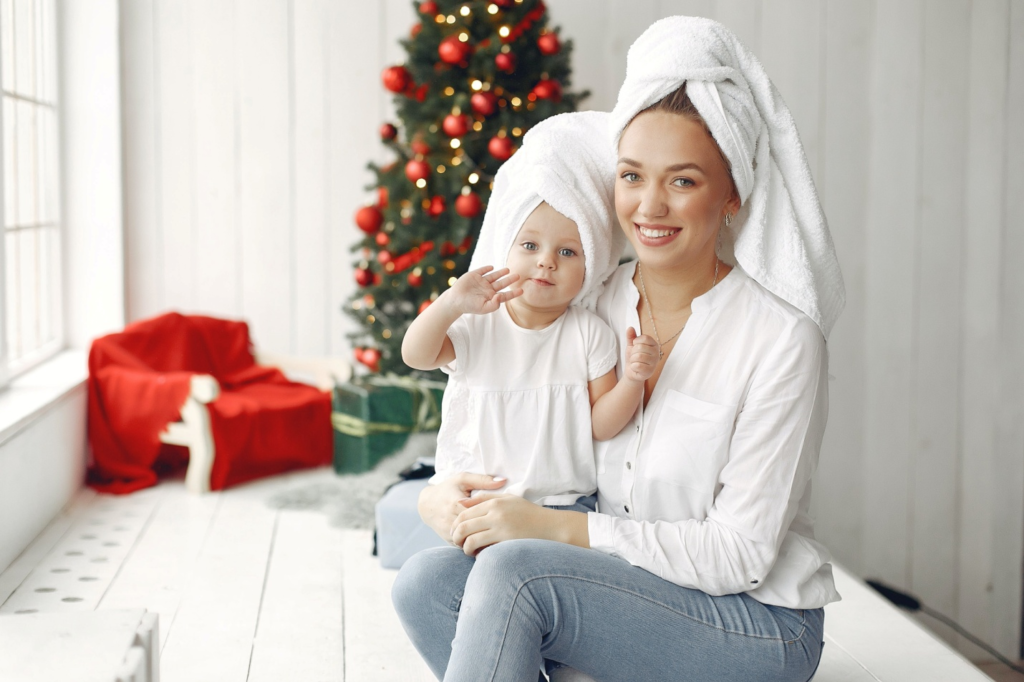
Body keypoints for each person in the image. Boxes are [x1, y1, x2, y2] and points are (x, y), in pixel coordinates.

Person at [393, 16, 847, 682]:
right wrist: (441, 497)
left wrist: (559, 532)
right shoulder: (589, 304)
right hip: (622, 586)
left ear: (734, 196)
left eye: (684, 181)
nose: (650, 206)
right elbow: (501, 409)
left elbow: (738, 555)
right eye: (632, 176)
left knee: (518, 572)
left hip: (758, 621)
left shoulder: (780, 339)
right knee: (425, 583)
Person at [402, 110, 658, 513]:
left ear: (591, 266)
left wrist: (634, 381)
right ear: (505, 246)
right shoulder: (479, 323)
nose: (546, 262)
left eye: (568, 252)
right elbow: (415, 355)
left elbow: (601, 424)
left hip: (559, 507)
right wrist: (450, 303)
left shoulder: (588, 333)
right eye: (529, 246)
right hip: (479, 501)